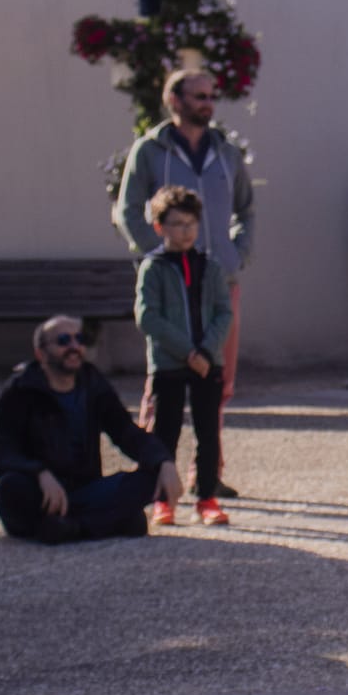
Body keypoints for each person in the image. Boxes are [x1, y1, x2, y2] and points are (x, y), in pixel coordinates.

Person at [114, 67, 255, 493]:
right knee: (166, 382)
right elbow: (127, 208)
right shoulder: (150, 151)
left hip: (216, 279)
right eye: (198, 96)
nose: (208, 103)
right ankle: (158, 474)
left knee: (218, 377)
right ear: (174, 101)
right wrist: (157, 255)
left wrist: (236, 252)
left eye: (211, 96)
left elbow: (246, 209)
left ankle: (207, 474)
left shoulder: (227, 153)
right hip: (171, 282)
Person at [0, 316, 179, 544]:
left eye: (79, 339)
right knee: (11, 489)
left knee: (151, 479)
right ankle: (108, 521)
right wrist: (38, 472)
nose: (74, 347)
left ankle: (73, 527)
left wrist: (163, 460)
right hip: (41, 492)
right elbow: (1, 448)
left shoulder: (92, 382)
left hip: (85, 490)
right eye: (63, 340)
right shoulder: (21, 389)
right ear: (40, 354)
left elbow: (125, 431)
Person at [135, 186, 233, 526]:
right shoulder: (154, 268)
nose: (186, 230)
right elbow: (148, 317)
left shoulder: (210, 266)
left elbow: (224, 312)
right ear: (161, 227)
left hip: (208, 361)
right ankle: (163, 499)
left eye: (191, 223)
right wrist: (187, 351)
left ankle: (206, 498)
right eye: (177, 224)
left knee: (208, 431)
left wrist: (206, 351)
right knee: (166, 431)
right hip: (170, 364)